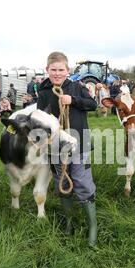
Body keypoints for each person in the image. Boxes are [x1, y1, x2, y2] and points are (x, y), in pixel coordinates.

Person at [37, 51, 98, 248]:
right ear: (47, 70)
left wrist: (73, 101)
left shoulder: (77, 87)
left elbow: (93, 105)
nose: (56, 73)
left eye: (60, 70)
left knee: (81, 181)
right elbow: (40, 116)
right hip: (55, 147)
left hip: (80, 144)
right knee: (61, 181)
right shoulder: (44, 91)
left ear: (68, 70)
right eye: (53, 70)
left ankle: (92, 227)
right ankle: (69, 223)